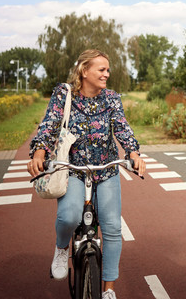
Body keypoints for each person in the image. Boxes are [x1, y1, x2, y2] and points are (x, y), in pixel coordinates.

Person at [27, 49, 146, 299]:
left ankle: (109, 290)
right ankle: (61, 248)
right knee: (69, 216)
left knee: (112, 226)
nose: (107, 74)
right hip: (72, 168)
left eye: (107, 69)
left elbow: (122, 128)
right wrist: (39, 153)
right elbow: (49, 124)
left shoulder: (112, 98)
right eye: (101, 69)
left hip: (106, 167)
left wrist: (134, 153)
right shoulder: (64, 93)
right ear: (84, 71)